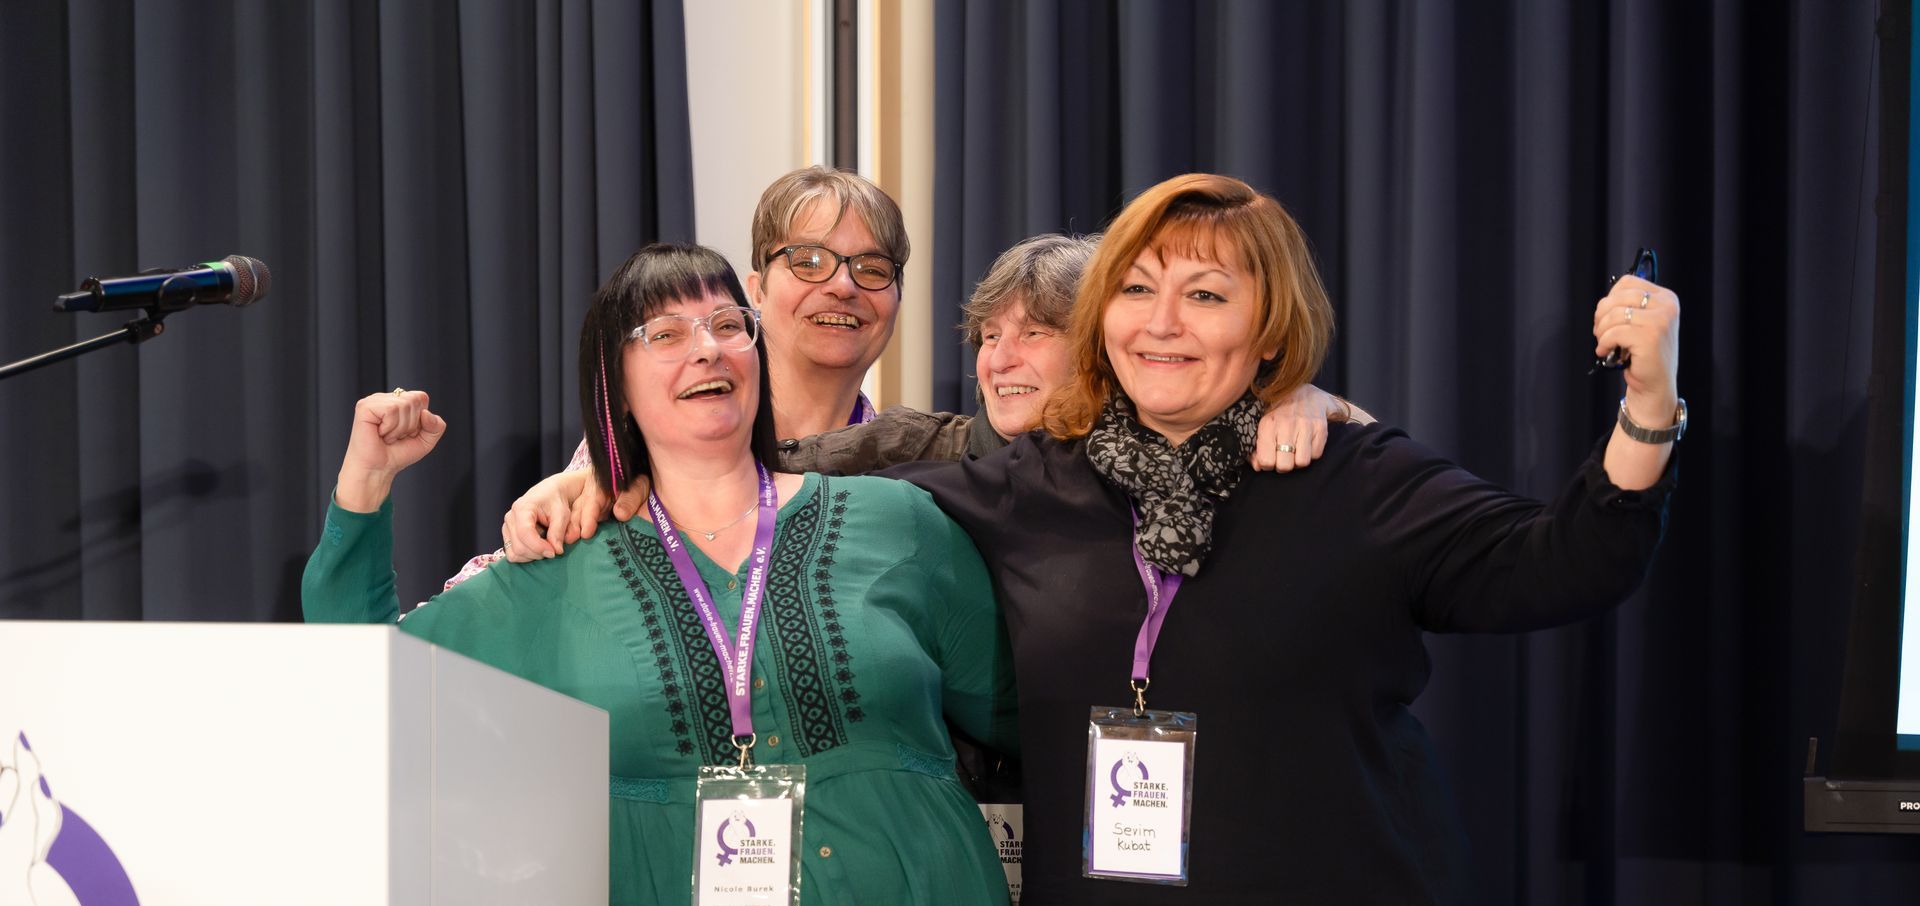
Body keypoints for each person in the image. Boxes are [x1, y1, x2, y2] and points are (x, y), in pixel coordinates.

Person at [895, 173, 1682, 906]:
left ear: (1271, 334)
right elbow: (789, 491)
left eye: (1207, 295)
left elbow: (1565, 559)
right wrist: (606, 472)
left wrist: (1649, 401)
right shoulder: (1024, 488)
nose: (1161, 322)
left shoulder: (1353, 475)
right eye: (1135, 288)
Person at [303, 243, 1047, 906]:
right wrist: (364, 494)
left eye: (727, 323)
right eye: (666, 331)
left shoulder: (900, 523)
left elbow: (1028, 709)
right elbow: (364, 680)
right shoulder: (547, 575)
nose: (707, 347)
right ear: (611, 380)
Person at [485, 178, 1359, 567]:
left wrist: (1299, 395)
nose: (843, 287)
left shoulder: (925, 456)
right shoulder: (643, 457)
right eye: (810, 260)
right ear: (757, 285)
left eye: (872, 269)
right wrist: (604, 465)